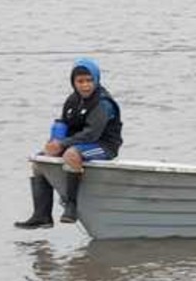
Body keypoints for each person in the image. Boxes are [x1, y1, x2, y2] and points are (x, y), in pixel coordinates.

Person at [14, 58, 123, 229]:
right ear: (73, 82)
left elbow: (91, 134)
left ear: (96, 80)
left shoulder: (103, 103)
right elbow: (64, 122)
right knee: (39, 161)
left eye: (89, 80)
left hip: (103, 146)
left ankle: (71, 206)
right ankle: (42, 215)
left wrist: (63, 144)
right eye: (80, 81)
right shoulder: (73, 100)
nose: (85, 85)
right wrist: (53, 141)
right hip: (77, 143)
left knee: (70, 154)